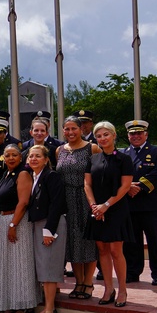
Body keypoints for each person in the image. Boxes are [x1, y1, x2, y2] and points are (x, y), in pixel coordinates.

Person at [84, 121, 134, 308]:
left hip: (116, 209)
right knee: (102, 250)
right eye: (99, 136)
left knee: (115, 250)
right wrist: (94, 206)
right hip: (97, 210)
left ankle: (122, 290)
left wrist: (106, 205)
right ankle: (108, 288)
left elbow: (125, 186)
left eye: (106, 134)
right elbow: (87, 184)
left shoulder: (124, 159)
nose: (102, 138)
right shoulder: (93, 159)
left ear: (113, 135)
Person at [56, 116, 100, 300]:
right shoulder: (59, 150)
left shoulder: (92, 148)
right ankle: (78, 282)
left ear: (81, 129)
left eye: (74, 128)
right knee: (72, 242)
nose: (70, 132)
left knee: (88, 241)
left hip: (86, 199)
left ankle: (88, 283)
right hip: (67, 201)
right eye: (67, 129)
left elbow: (99, 175)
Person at [122, 120, 157, 285]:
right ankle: (132, 272)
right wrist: (127, 187)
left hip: (151, 204)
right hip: (130, 204)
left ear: (146, 134)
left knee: (156, 240)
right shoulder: (124, 153)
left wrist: (138, 186)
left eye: (139, 133)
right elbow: (118, 174)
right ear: (128, 135)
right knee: (131, 241)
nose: (136, 136)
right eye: (132, 133)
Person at [25, 145, 68, 313]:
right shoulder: (34, 177)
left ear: (46, 159)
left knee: (50, 270)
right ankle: (46, 306)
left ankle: (50, 310)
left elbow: (57, 204)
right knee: (43, 269)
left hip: (51, 225)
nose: (33, 159)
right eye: (31, 156)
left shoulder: (51, 176)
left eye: (37, 156)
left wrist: (49, 230)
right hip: (39, 224)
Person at [0, 144, 38, 313]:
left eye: (14, 155)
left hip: (18, 221)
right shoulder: (5, 174)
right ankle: (10, 303)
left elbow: (23, 202)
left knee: (21, 264)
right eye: (7, 155)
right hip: (4, 220)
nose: (11, 158)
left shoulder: (23, 174)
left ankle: (24, 306)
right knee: (9, 265)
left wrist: (13, 225)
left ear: (21, 158)